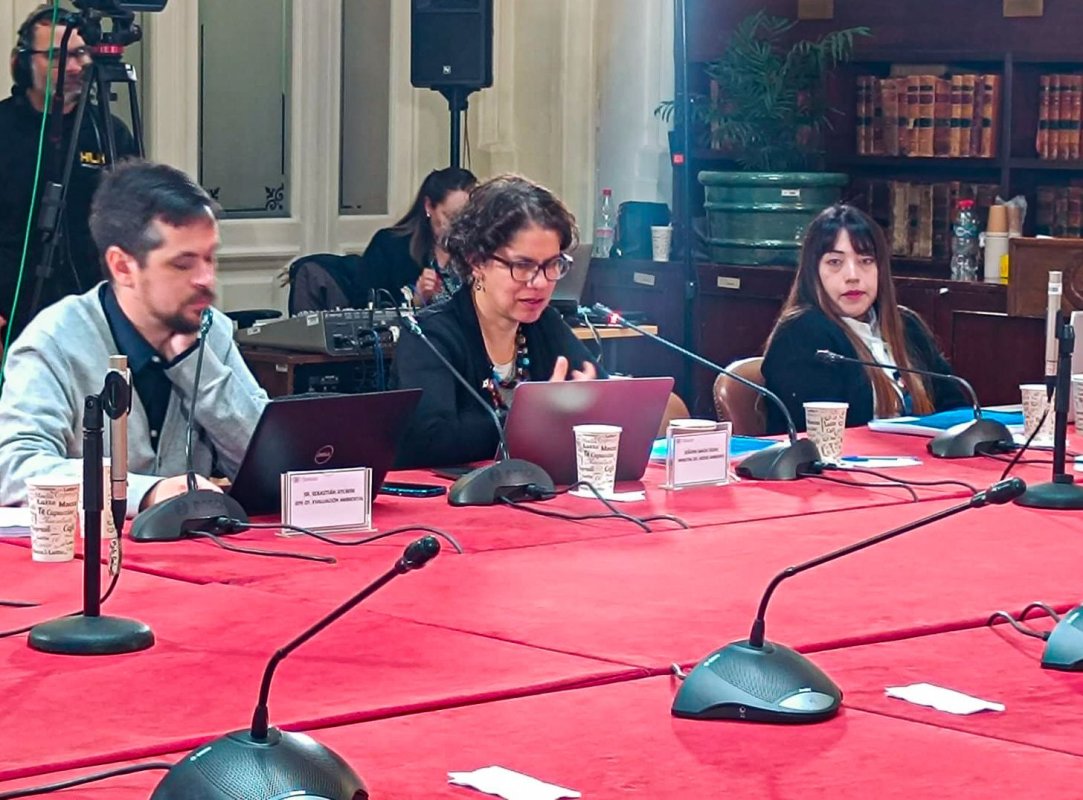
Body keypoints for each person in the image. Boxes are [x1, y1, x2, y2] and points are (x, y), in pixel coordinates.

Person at [0, 159, 269, 512]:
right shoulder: (54, 341)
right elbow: (13, 469)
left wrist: (196, 371)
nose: (206, 279)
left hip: (198, 554)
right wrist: (147, 493)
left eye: (210, 258)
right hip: (86, 559)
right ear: (123, 266)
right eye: (183, 264)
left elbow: (265, 465)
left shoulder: (210, 328)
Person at [393, 174, 604, 467]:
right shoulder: (428, 336)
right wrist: (533, 418)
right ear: (476, 261)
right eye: (522, 265)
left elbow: (601, 393)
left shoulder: (545, 324)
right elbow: (430, 440)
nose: (540, 282)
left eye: (552, 265)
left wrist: (596, 401)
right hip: (450, 504)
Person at [761, 204, 967, 435]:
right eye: (835, 262)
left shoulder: (906, 325)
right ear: (813, 272)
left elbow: (955, 409)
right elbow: (821, 435)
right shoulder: (802, 333)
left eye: (865, 260)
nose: (852, 276)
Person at [0, 5, 138, 341]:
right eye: (57, 56)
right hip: (13, 311)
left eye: (79, 54)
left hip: (93, 314)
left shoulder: (108, 131)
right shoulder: (3, 128)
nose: (73, 67)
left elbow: (138, 220)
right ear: (21, 63)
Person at [358, 167, 476, 307]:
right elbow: (365, 311)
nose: (460, 226)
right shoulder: (390, 246)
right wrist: (415, 302)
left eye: (467, 218)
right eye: (451, 217)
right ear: (428, 207)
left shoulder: (478, 249)